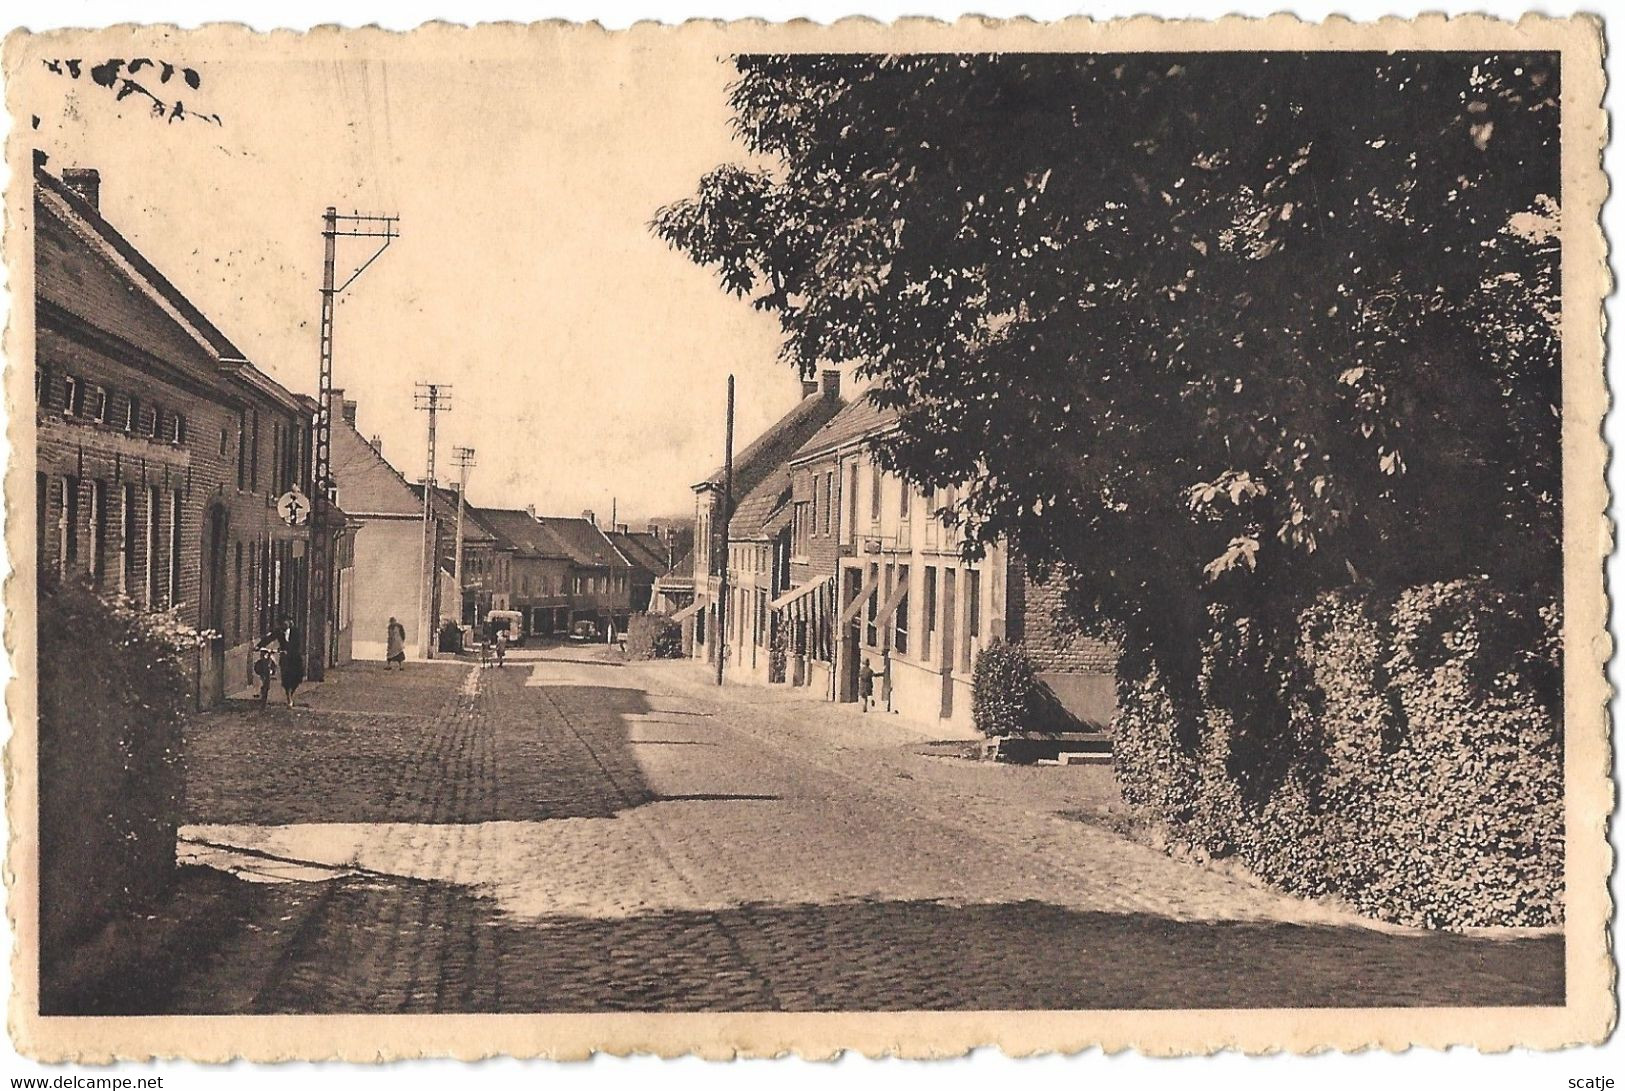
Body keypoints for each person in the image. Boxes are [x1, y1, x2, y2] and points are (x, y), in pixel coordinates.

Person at [257, 615, 305, 708]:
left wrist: (289, 650)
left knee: (297, 678)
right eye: (282, 624)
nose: (284, 625)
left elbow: (297, 643)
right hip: (285, 658)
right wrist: (258, 646)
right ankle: (289, 697)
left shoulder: (295, 632)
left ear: (289, 623)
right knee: (286, 678)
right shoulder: (279, 632)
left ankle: (291, 691)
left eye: (286, 622)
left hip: (295, 657)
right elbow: (269, 638)